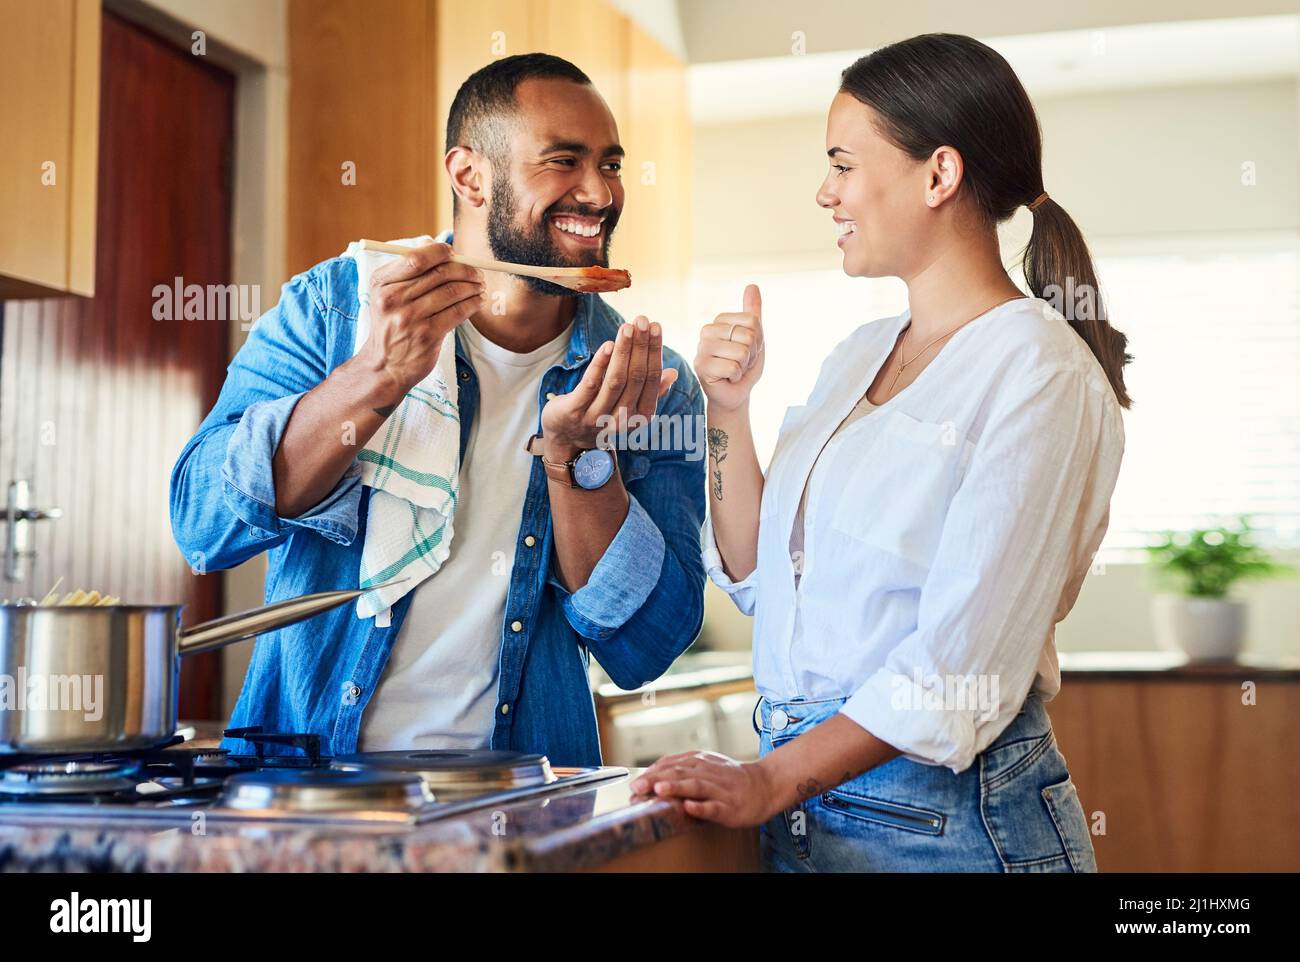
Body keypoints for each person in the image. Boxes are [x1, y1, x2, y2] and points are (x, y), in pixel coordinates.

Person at [632, 33, 1129, 872]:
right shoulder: (858, 354)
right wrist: (728, 409)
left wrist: (770, 779)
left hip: (948, 823)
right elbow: (756, 570)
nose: (824, 193)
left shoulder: (1040, 372)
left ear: (940, 174)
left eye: (843, 164)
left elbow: (960, 667)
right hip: (807, 806)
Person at [170, 53, 705, 766]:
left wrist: (578, 462)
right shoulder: (338, 310)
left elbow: (650, 645)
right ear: (469, 176)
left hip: (522, 801)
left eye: (610, 164)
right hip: (306, 787)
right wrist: (377, 374)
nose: (599, 192)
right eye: (564, 161)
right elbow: (201, 522)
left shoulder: (651, 380)